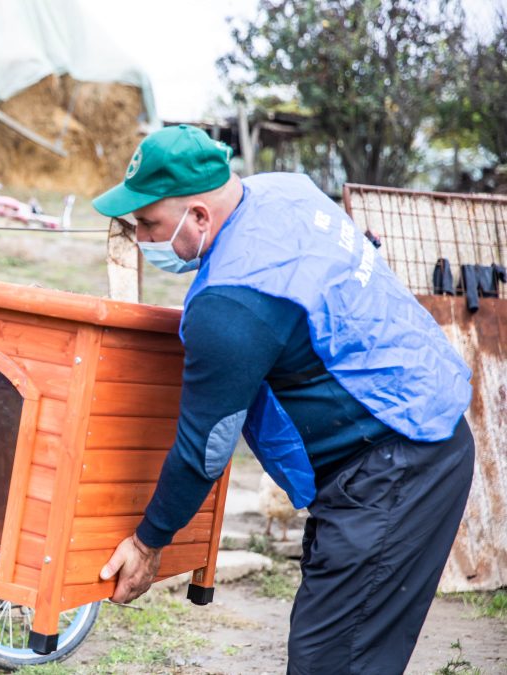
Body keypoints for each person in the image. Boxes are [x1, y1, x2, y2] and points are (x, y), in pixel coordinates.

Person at [93, 125, 474, 674]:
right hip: (418, 426)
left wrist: (148, 541)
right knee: (337, 646)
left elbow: (206, 448)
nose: (143, 238)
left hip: (396, 465)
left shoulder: (231, 305)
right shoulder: (284, 192)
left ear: (199, 216)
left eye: (149, 224)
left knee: (332, 661)